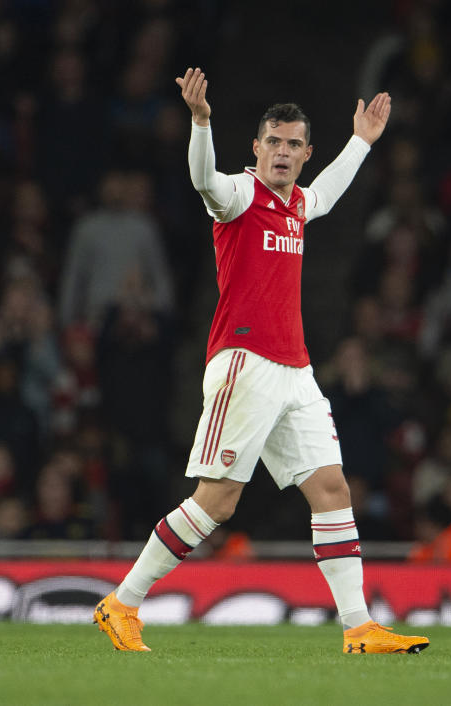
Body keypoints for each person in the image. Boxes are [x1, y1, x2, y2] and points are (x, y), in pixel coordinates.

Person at [94, 68, 428, 655]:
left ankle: (359, 628)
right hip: (244, 364)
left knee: (331, 488)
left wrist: (362, 143)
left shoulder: (299, 203)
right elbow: (204, 181)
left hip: (296, 372)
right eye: (272, 140)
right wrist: (201, 122)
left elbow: (326, 193)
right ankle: (121, 603)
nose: (282, 151)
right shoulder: (240, 194)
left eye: (293, 143)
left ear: (305, 153)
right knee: (217, 501)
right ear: (256, 147)